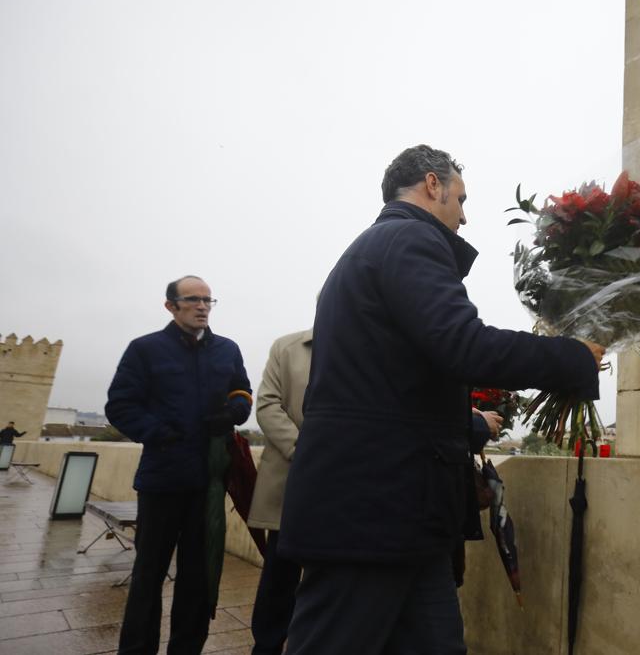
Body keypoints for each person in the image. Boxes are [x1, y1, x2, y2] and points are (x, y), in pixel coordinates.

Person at [280, 144, 603, 655]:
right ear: (434, 185)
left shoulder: (377, 248)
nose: (465, 214)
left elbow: (400, 389)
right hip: (372, 517)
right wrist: (572, 358)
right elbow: (463, 344)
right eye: (461, 197)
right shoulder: (409, 239)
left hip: (402, 513)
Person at [106, 276, 252, 655]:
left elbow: (242, 390)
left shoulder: (227, 349)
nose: (202, 306)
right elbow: (120, 406)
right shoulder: (145, 350)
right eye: (193, 300)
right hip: (161, 480)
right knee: (148, 575)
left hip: (209, 482)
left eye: (208, 300)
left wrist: (234, 411)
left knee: (198, 577)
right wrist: (159, 433)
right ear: (171, 306)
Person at [247, 328, 312, 655]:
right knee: (279, 578)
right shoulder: (287, 348)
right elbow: (268, 405)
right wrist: (305, 451)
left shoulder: (368, 347)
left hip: (344, 488)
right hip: (290, 482)